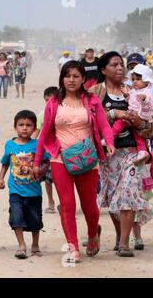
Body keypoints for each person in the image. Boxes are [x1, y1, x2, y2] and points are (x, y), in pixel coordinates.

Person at [33, 61, 116, 263]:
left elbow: (104, 126)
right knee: (68, 204)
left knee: (89, 206)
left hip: (87, 159)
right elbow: (43, 134)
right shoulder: (53, 102)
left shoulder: (92, 100)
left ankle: (92, 235)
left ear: (83, 79)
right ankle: (73, 247)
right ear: (62, 78)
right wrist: (37, 162)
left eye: (76, 76)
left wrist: (110, 143)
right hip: (60, 159)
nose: (72, 80)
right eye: (68, 76)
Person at [90, 51, 153, 257]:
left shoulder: (135, 91)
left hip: (132, 152)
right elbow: (88, 120)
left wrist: (140, 123)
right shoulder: (94, 93)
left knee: (128, 192)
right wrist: (113, 114)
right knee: (112, 196)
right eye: (114, 65)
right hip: (108, 154)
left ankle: (125, 242)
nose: (120, 68)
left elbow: (151, 126)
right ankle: (119, 236)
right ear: (103, 70)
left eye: (121, 65)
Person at [0, 110, 50, 259]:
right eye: (21, 125)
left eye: (29, 125)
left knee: (35, 219)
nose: (25, 128)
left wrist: (41, 170)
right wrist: (0, 178)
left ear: (34, 128)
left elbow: (47, 161)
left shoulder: (38, 144)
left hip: (34, 191)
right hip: (15, 190)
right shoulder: (10, 145)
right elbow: (5, 163)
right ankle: (21, 245)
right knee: (16, 216)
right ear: (15, 127)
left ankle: (35, 245)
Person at [111, 64, 153, 165]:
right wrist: (126, 95)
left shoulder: (147, 92)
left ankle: (109, 137)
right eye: (133, 79)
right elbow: (130, 101)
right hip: (133, 115)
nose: (135, 81)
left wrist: (144, 98)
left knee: (120, 123)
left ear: (146, 81)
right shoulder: (134, 91)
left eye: (138, 79)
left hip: (140, 117)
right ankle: (142, 151)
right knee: (137, 136)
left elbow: (150, 103)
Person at [33, 86, 59, 213]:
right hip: (46, 152)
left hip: (61, 151)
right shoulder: (41, 115)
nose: (49, 103)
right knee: (48, 179)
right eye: (46, 100)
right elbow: (36, 134)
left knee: (61, 179)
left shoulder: (62, 112)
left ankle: (63, 202)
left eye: (51, 100)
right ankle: (51, 202)